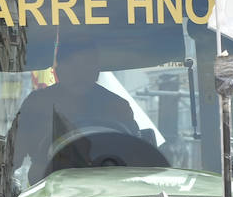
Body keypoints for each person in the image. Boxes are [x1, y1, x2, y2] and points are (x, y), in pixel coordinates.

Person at [9, 37, 137, 182]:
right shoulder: (38, 103)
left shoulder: (117, 106)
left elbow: (135, 156)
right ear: (57, 70)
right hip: (47, 186)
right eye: (71, 64)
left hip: (108, 187)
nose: (79, 73)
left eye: (86, 64)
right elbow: (11, 157)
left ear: (97, 71)